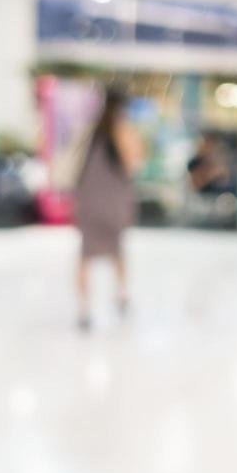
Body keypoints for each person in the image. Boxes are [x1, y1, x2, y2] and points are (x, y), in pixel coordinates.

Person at [73, 88, 145, 332]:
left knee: (85, 256)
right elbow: (134, 164)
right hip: (113, 203)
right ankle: (122, 296)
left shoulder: (91, 132)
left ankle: (84, 309)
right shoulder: (122, 132)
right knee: (117, 252)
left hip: (90, 203)